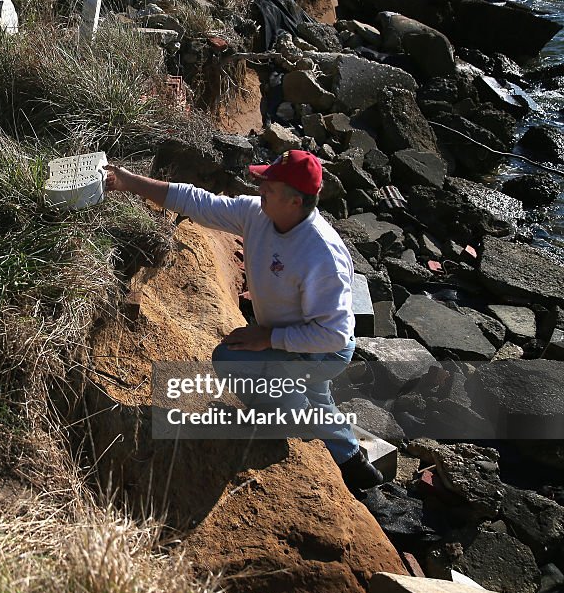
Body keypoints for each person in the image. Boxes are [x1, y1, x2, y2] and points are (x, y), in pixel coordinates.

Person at [105, 149, 383, 492]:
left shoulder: (321, 254)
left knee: (233, 358)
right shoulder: (259, 214)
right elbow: (197, 202)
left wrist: (268, 337)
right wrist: (126, 181)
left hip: (324, 351)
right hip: (297, 341)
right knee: (316, 397)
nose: (260, 186)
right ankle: (354, 464)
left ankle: (287, 421)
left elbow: (335, 336)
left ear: (295, 202)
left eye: (270, 184)